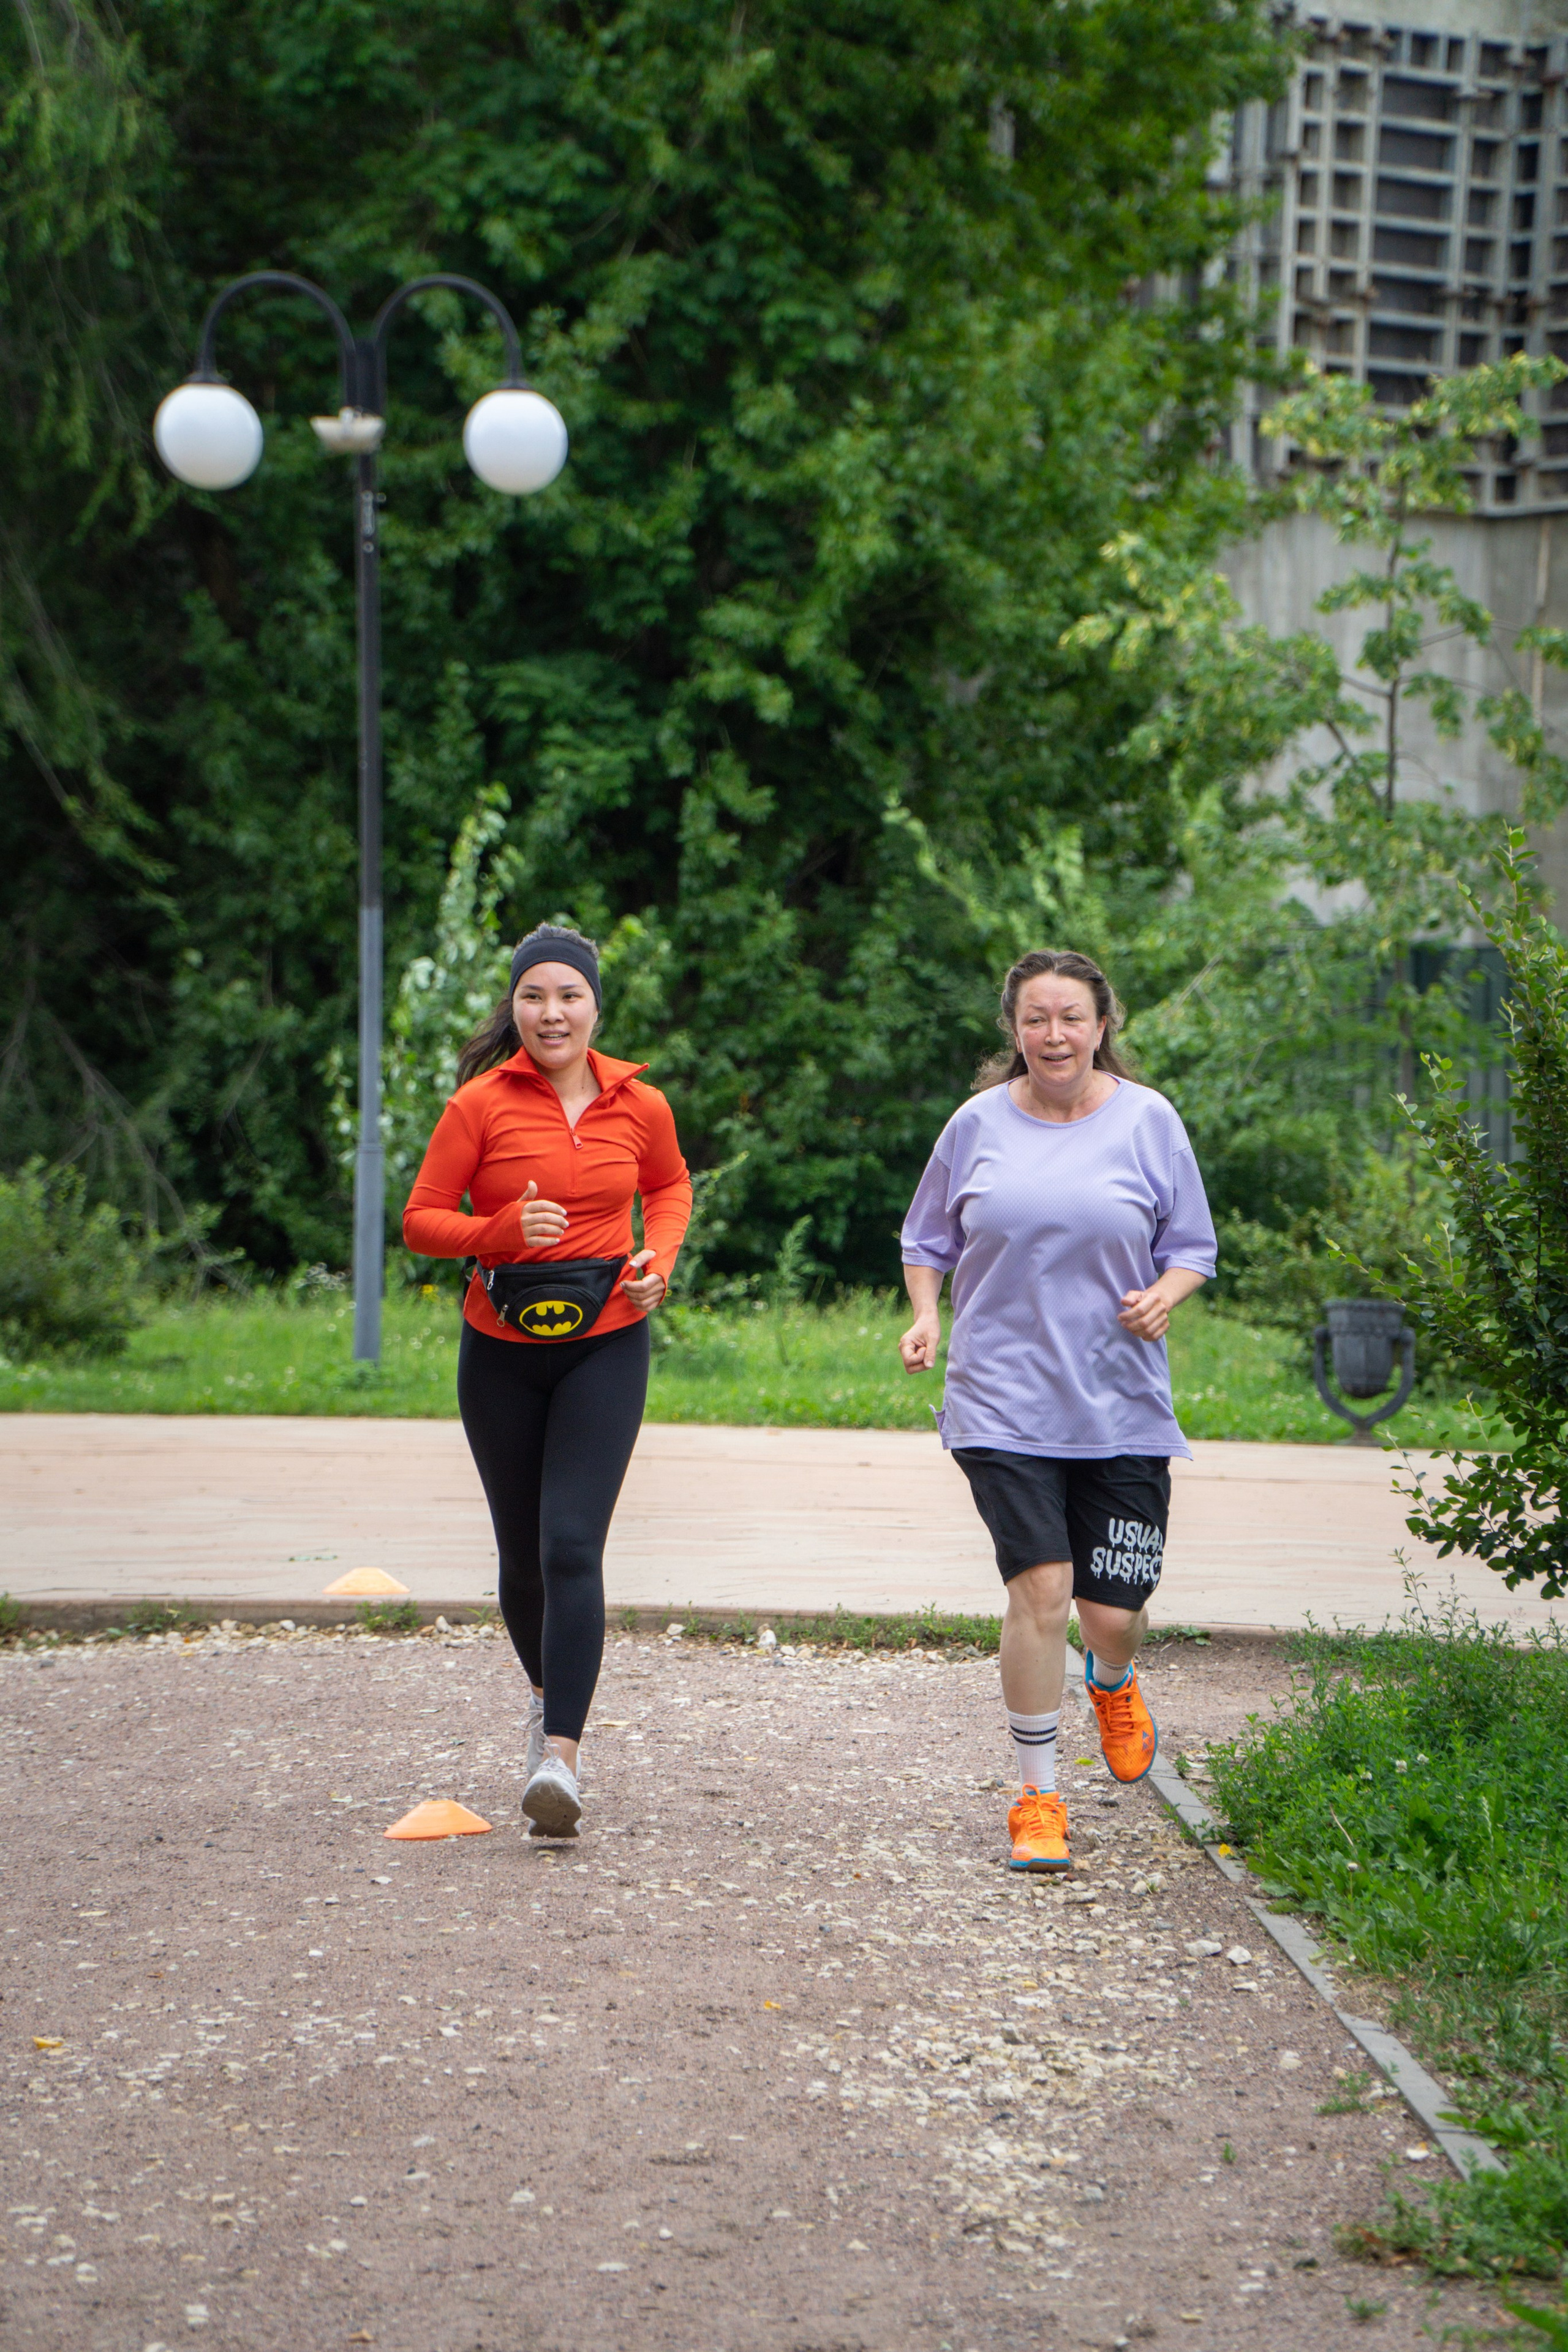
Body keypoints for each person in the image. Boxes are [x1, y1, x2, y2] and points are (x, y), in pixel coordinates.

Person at [897, 948, 1216, 1873]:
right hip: (1000, 1401)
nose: (1054, 1035)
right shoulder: (976, 1125)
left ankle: (1112, 1680)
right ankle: (1037, 1797)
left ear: (1102, 1024)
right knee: (1039, 1593)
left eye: (1070, 1017)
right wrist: (926, 1315)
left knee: (1111, 1611)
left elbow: (1193, 1245)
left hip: (1120, 1404)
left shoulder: (1150, 1122)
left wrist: (1167, 1292)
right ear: (1015, 1031)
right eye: (1036, 1019)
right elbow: (927, 1238)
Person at [403, 923, 692, 1838]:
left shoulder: (639, 1103)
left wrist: (661, 1260)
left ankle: (560, 1757)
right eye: (535, 996)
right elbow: (419, 1220)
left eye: (568, 995)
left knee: (572, 1545)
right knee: (522, 1559)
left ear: (596, 1005)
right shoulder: (480, 1105)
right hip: (499, 1351)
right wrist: (497, 1233)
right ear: (515, 1005)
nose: (551, 1012)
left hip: (608, 1340)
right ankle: (543, 1695)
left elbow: (673, 1186)